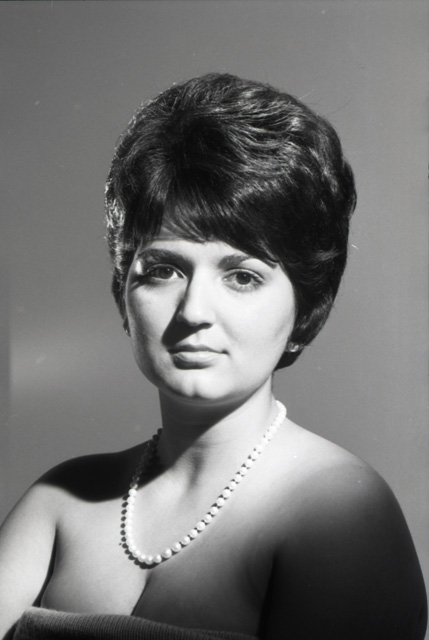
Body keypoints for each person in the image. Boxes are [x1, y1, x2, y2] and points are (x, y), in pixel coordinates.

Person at [0, 73, 426, 640]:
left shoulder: (341, 511)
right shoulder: (59, 502)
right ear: (123, 293)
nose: (194, 310)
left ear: (306, 307)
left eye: (243, 276)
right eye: (163, 270)